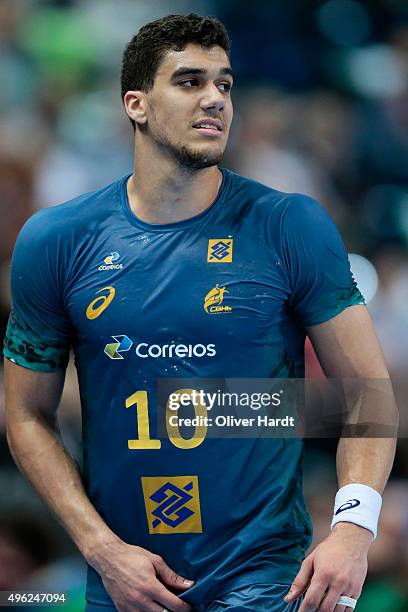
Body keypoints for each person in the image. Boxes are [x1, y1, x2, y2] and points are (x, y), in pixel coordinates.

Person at [3, 13, 396, 612]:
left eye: (226, 84)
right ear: (136, 104)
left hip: (264, 577)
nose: (215, 98)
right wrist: (100, 549)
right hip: (124, 581)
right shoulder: (56, 240)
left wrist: (353, 528)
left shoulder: (290, 224)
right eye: (190, 81)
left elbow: (367, 395)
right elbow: (26, 413)